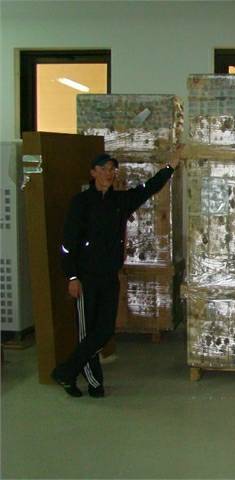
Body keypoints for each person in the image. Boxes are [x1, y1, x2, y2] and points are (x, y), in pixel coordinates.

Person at [51, 148, 182, 398]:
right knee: (88, 332)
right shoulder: (81, 203)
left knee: (104, 331)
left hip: (109, 276)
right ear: (93, 173)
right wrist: (72, 277)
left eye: (112, 169)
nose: (108, 173)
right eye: (103, 169)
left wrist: (170, 167)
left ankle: (66, 371)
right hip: (85, 278)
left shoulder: (119, 201)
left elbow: (147, 189)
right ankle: (92, 381)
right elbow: (68, 243)